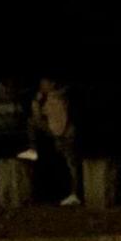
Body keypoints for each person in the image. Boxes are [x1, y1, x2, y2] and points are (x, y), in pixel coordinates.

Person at [31, 76, 82, 205]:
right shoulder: (45, 99)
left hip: (62, 134)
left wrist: (59, 134)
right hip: (53, 136)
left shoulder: (57, 99)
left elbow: (59, 119)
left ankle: (73, 192)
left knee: (70, 163)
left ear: (52, 84)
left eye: (44, 82)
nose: (41, 85)